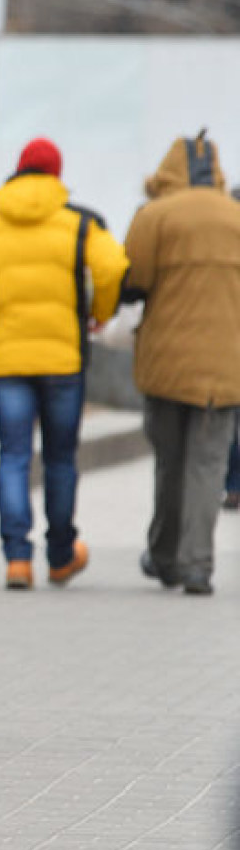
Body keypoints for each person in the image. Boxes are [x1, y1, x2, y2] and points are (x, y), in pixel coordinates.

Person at [0, 137, 127, 591]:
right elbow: (112, 269)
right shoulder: (80, 223)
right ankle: (62, 554)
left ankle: (17, 559)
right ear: (56, 174)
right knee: (61, 459)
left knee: (13, 456)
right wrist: (98, 314)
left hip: (9, 359)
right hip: (63, 358)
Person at [123, 133, 240, 595]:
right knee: (207, 466)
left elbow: (132, 280)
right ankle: (197, 564)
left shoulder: (155, 216)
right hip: (226, 366)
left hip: (166, 364)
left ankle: (166, 556)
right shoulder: (236, 216)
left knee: (170, 463)